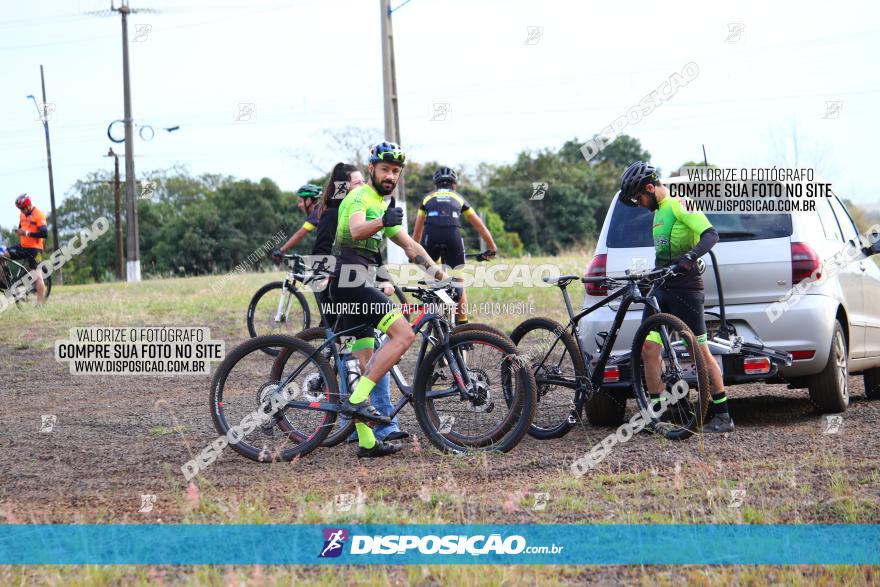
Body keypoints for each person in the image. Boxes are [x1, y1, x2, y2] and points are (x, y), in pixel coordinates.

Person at [330, 141, 449, 458]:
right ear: (372, 169)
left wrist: (442, 277)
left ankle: (368, 443)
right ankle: (356, 401)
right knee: (404, 333)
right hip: (349, 278)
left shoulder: (383, 207)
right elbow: (356, 231)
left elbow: (412, 248)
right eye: (385, 169)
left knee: (369, 362)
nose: (390, 175)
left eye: (396, 171)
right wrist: (383, 221)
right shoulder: (359, 196)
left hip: (357, 281)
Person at [617, 161, 733, 433]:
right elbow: (662, 254)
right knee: (649, 348)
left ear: (649, 187)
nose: (639, 203)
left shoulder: (681, 204)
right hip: (661, 289)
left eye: (639, 197)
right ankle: (656, 415)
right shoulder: (657, 214)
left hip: (686, 290)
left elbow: (710, 235)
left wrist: (690, 256)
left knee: (699, 351)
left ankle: (724, 414)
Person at [310, 162, 409, 444]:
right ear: (342, 186)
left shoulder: (364, 206)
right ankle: (367, 423)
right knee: (356, 355)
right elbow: (321, 255)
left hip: (357, 283)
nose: (359, 187)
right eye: (354, 183)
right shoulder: (332, 214)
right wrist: (329, 289)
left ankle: (367, 431)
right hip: (337, 289)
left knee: (366, 356)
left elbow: (371, 255)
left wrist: (381, 280)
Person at [412, 166, 496, 326]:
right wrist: (492, 248)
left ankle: (433, 320)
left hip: (430, 239)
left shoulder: (427, 199)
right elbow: (480, 227)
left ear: (436, 185)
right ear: (454, 185)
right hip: (453, 238)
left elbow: (417, 231)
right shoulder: (459, 198)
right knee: (458, 281)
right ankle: (463, 324)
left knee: (431, 277)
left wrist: (413, 252)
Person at [3, 194, 48, 303]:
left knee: (38, 277)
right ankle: (6, 281)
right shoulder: (22, 215)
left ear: (29, 205)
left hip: (34, 249)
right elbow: (21, 227)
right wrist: (18, 231)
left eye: (23, 208)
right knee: (2, 254)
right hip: (22, 246)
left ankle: (40, 305)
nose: (22, 210)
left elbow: (44, 233)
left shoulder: (39, 215)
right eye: (20, 209)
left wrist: (26, 233)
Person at [273, 183, 323, 256]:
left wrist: (281, 251)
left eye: (300, 201)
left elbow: (299, 235)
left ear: (308, 200)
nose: (299, 205)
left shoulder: (316, 213)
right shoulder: (322, 208)